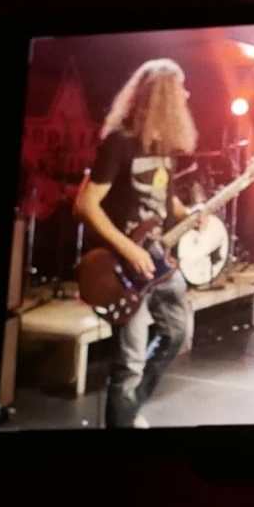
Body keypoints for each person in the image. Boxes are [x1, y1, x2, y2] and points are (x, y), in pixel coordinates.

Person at [70, 56, 200, 429]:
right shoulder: (120, 143)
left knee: (177, 334)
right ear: (163, 96)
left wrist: (193, 212)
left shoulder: (163, 148)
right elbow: (86, 205)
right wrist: (129, 248)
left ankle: (128, 411)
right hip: (125, 268)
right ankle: (121, 423)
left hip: (159, 262)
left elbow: (165, 205)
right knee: (129, 362)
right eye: (180, 88)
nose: (187, 95)